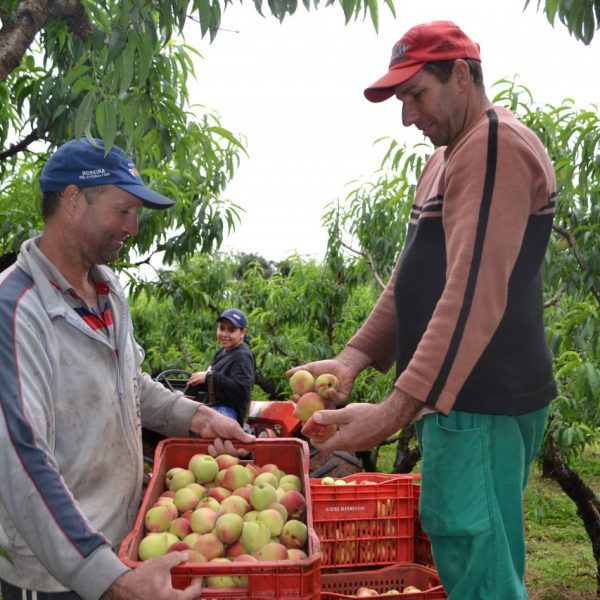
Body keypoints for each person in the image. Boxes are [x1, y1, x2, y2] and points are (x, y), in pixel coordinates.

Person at [288, 21, 557, 600]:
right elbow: (413, 278)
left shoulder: (493, 146)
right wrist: (354, 356)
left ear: (461, 75)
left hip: (477, 402)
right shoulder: (448, 157)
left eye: (415, 95)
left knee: (478, 569)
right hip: (459, 404)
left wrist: (393, 411)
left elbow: (471, 292)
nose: (407, 117)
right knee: (471, 554)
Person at [0, 138, 255, 600]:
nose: (133, 227)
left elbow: (129, 383)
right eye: (123, 210)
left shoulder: (107, 291)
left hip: (122, 545)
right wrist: (113, 581)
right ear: (74, 200)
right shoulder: (15, 309)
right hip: (59, 575)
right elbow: (22, 460)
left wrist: (199, 418)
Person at [186, 308, 256, 426]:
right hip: (214, 407)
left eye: (231, 330)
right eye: (222, 328)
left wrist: (210, 376)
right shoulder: (223, 351)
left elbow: (242, 389)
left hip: (228, 412)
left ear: (242, 332)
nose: (224, 334)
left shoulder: (242, 355)